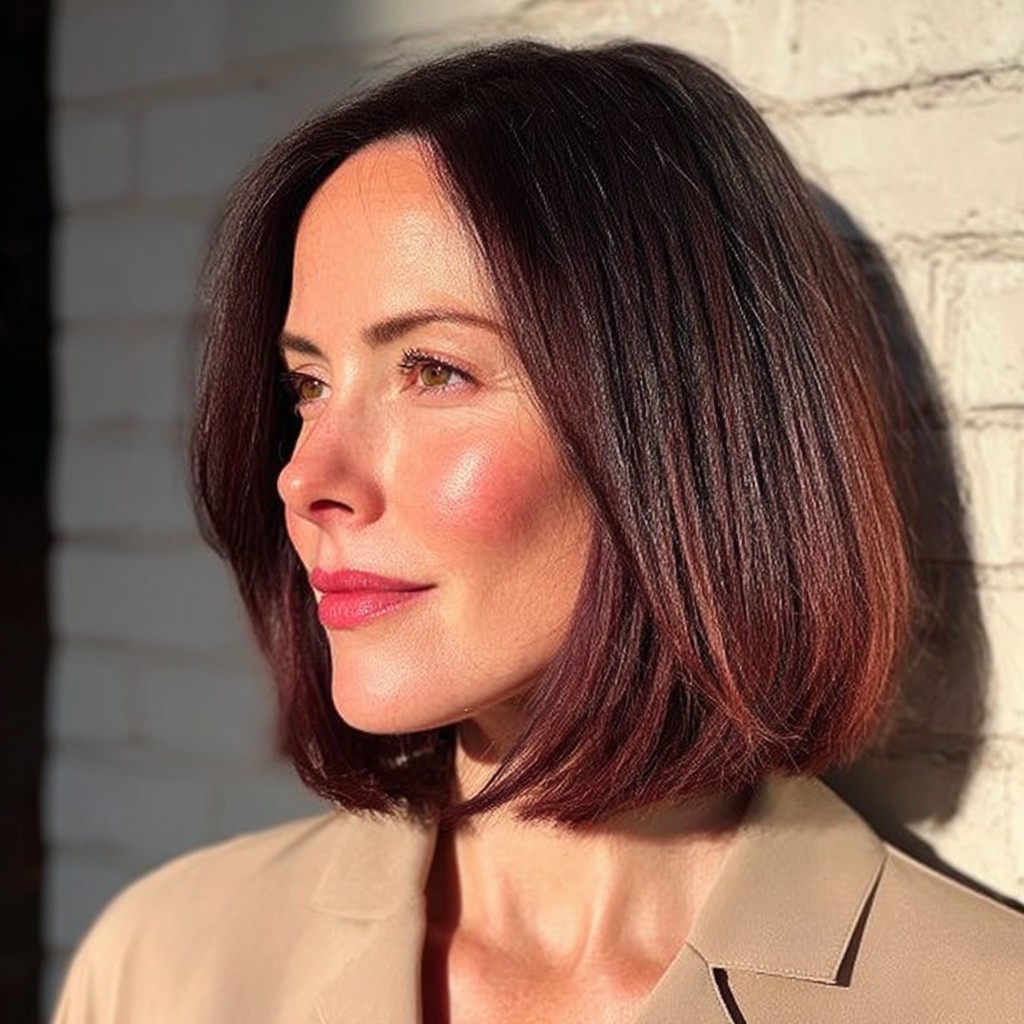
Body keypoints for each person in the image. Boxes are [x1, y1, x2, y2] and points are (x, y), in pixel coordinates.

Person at [54, 40, 1022, 1024]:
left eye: (434, 371)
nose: (304, 478)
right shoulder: (166, 965)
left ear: (678, 429)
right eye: (308, 383)